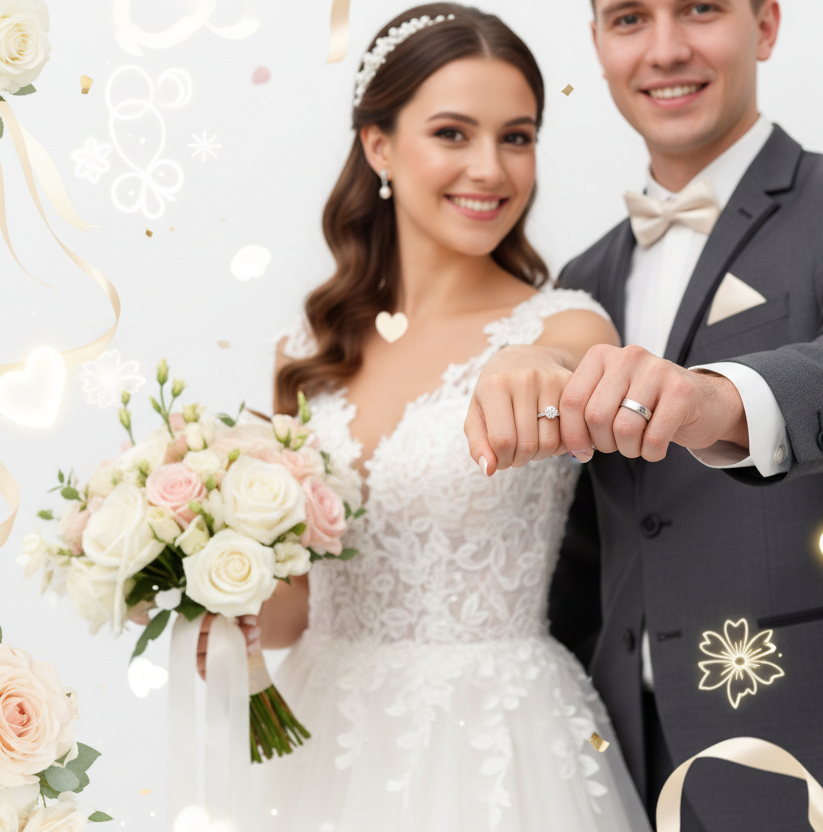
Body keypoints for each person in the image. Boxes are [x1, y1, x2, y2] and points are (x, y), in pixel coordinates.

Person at [465, 0, 823, 829]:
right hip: (618, 764)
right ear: (597, 44)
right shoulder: (580, 280)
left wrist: (718, 399)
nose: (666, 50)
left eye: (701, 8)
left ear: (767, 25)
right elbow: (578, 550)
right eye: (630, 18)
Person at [212, 5, 652, 830]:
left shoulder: (566, 326)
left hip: (497, 739)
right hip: (323, 735)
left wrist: (537, 369)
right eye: (453, 133)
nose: (491, 168)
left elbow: (567, 380)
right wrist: (186, 584)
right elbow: (293, 608)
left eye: (516, 137)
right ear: (378, 145)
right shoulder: (306, 351)